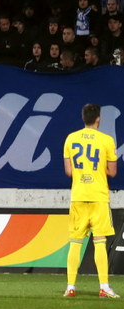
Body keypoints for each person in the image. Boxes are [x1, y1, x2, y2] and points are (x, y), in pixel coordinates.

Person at [63, 104, 119, 298]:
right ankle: (104, 286)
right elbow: (112, 172)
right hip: (98, 198)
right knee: (100, 242)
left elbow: (69, 172)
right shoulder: (106, 140)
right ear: (99, 119)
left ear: (83, 117)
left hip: (78, 197)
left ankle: (70, 287)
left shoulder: (71, 138)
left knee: (75, 243)